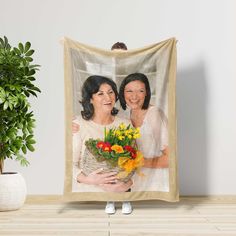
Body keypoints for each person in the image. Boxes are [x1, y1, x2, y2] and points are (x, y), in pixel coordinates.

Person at [73, 75, 133, 214]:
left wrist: (127, 183)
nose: (108, 97)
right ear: (90, 99)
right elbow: (71, 164)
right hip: (91, 193)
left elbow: (133, 160)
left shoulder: (125, 124)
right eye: (100, 93)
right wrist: (88, 179)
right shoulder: (78, 125)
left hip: (121, 187)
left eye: (111, 92)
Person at [119, 72, 169, 192]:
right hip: (134, 182)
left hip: (156, 182)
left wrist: (140, 162)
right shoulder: (125, 115)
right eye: (129, 91)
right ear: (123, 93)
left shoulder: (154, 114)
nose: (134, 96)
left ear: (146, 93)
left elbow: (170, 158)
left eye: (140, 91)